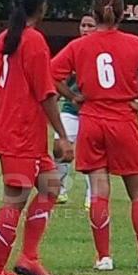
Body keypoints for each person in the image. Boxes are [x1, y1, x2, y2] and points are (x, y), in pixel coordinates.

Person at [51, 0, 138, 271]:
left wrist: (73, 97)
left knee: (99, 189)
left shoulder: (79, 46)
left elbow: (51, 73)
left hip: (92, 118)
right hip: (123, 119)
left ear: (93, 14)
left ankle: (103, 257)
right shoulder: (135, 43)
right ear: (122, 14)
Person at [0, 0, 73, 275]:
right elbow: (46, 93)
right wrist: (61, 133)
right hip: (21, 134)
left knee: (50, 187)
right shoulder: (33, 41)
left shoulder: (5, 39)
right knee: (14, 200)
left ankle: (29, 258)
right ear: (42, 6)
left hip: (18, 131)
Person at [54, 14, 95, 207]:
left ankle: (91, 196)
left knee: (92, 154)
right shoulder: (73, 50)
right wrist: (70, 96)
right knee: (59, 146)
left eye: (90, 26)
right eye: (83, 25)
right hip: (71, 108)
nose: (85, 29)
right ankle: (59, 190)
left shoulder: (100, 50)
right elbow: (56, 76)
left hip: (94, 111)